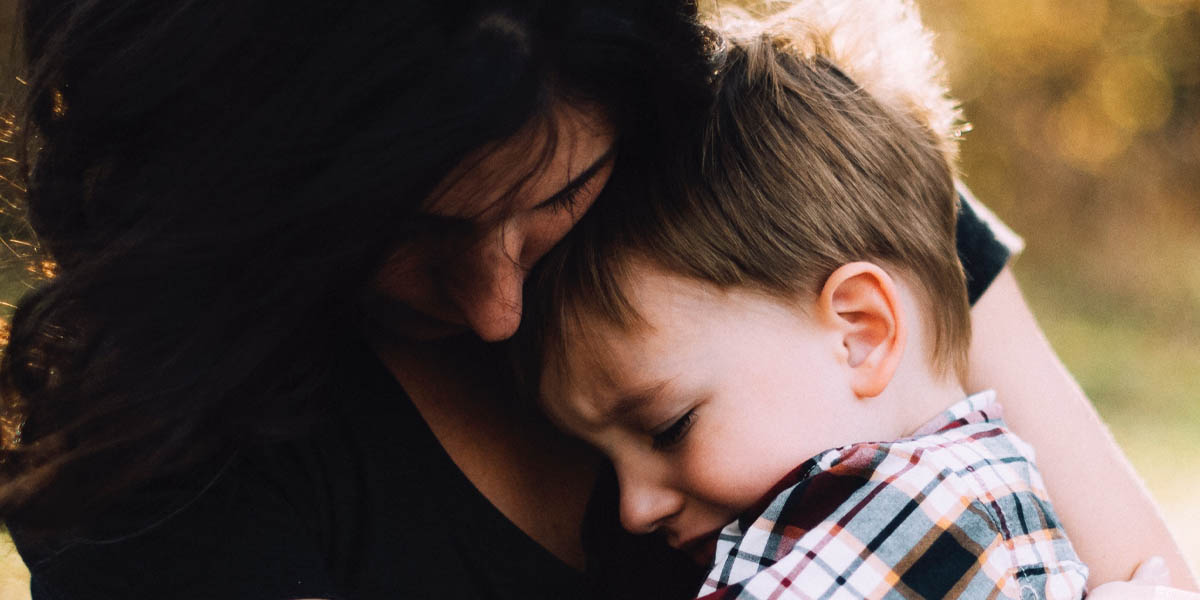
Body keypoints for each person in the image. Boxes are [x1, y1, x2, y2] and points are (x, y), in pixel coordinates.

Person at [0, 1, 1192, 599]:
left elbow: (1139, 576)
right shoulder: (171, 455)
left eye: (557, 194)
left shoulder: (776, 198)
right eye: (400, 234)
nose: (495, 307)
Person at [518, 6, 1090, 597]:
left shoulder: (902, 523)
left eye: (669, 429)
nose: (633, 510)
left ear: (860, 333)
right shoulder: (979, 492)